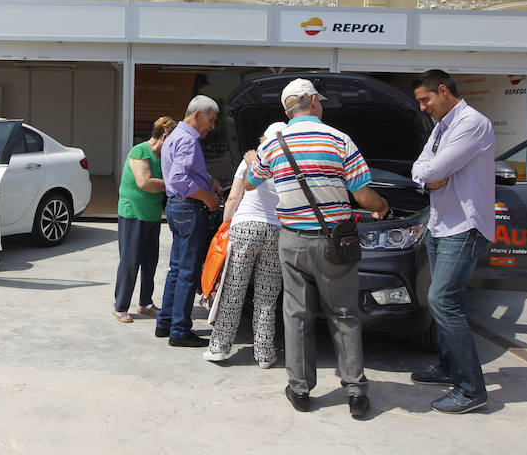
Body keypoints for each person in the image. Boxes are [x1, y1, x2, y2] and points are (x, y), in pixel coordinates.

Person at [245, 78, 388, 419]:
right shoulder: (340, 140)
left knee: (296, 314)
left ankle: (300, 389)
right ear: (311, 102)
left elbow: (251, 181)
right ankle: (355, 390)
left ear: (287, 110)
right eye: (319, 100)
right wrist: (381, 204)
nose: (321, 105)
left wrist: (256, 158)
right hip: (334, 242)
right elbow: (363, 196)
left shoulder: (273, 146)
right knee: (344, 313)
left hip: (292, 240)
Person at [410, 69, 495, 414]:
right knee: (444, 300)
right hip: (441, 224)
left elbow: (430, 171)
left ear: (443, 91)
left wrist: (429, 176)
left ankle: (472, 387)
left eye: (425, 100)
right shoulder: (443, 126)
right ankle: (448, 367)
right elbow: (420, 170)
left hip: (465, 227)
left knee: (442, 300)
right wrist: (429, 179)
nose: (422, 108)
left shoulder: (471, 123)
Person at [203, 122, 286, 367]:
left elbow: (233, 197)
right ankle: (264, 354)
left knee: (233, 290)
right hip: (276, 231)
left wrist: (224, 227)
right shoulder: (288, 165)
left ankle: (219, 348)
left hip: (245, 227)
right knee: (267, 296)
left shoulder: (253, 160)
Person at [156, 95, 224, 347]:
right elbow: (179, 180)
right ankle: (180, 330)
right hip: (189, 208)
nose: (213, 126)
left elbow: (184, 172)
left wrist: (208, 179)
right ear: (197, 115)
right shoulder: (188, 139)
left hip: (177, 208)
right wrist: (208, 198)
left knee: (177, 268)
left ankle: (165, 322)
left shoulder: (175, 136)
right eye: (211, 120)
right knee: (187, 271)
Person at [112, 116, 177, 323]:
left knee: (150, 261)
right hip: (134, 214)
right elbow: (145, 182)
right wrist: (173, 183)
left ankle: (145, 303)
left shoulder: (161, 156)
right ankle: (120, 306)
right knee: (130, 262)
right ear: (165, 137)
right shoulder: (141, 151)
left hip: (151, 215)